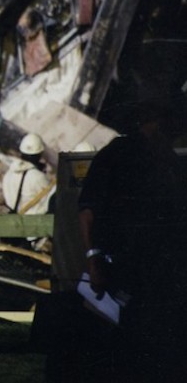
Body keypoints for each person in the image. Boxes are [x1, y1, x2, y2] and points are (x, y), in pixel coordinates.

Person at [77, 95, 187, 381]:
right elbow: (87, 211)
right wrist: (93, 259)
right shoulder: (117, 155)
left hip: (161, 275)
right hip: (124, 272)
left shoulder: (170, 162)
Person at [1, 133, 54, 216]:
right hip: (35, 220)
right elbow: (50, 200)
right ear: (39, 155)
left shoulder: (9, 174)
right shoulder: (36, 177)